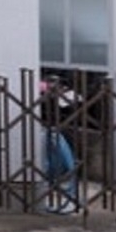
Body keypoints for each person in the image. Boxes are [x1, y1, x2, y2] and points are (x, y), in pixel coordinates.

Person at [39, 75, 81, 214]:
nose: (52, 86)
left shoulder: (71, 96)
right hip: (49, 130)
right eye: (50, 83)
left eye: (55, 84)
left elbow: (71, 106)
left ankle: (70, 195)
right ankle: (50, 190)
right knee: (48, 163)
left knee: (68, 164)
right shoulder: (44, 94)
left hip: (64, 132)